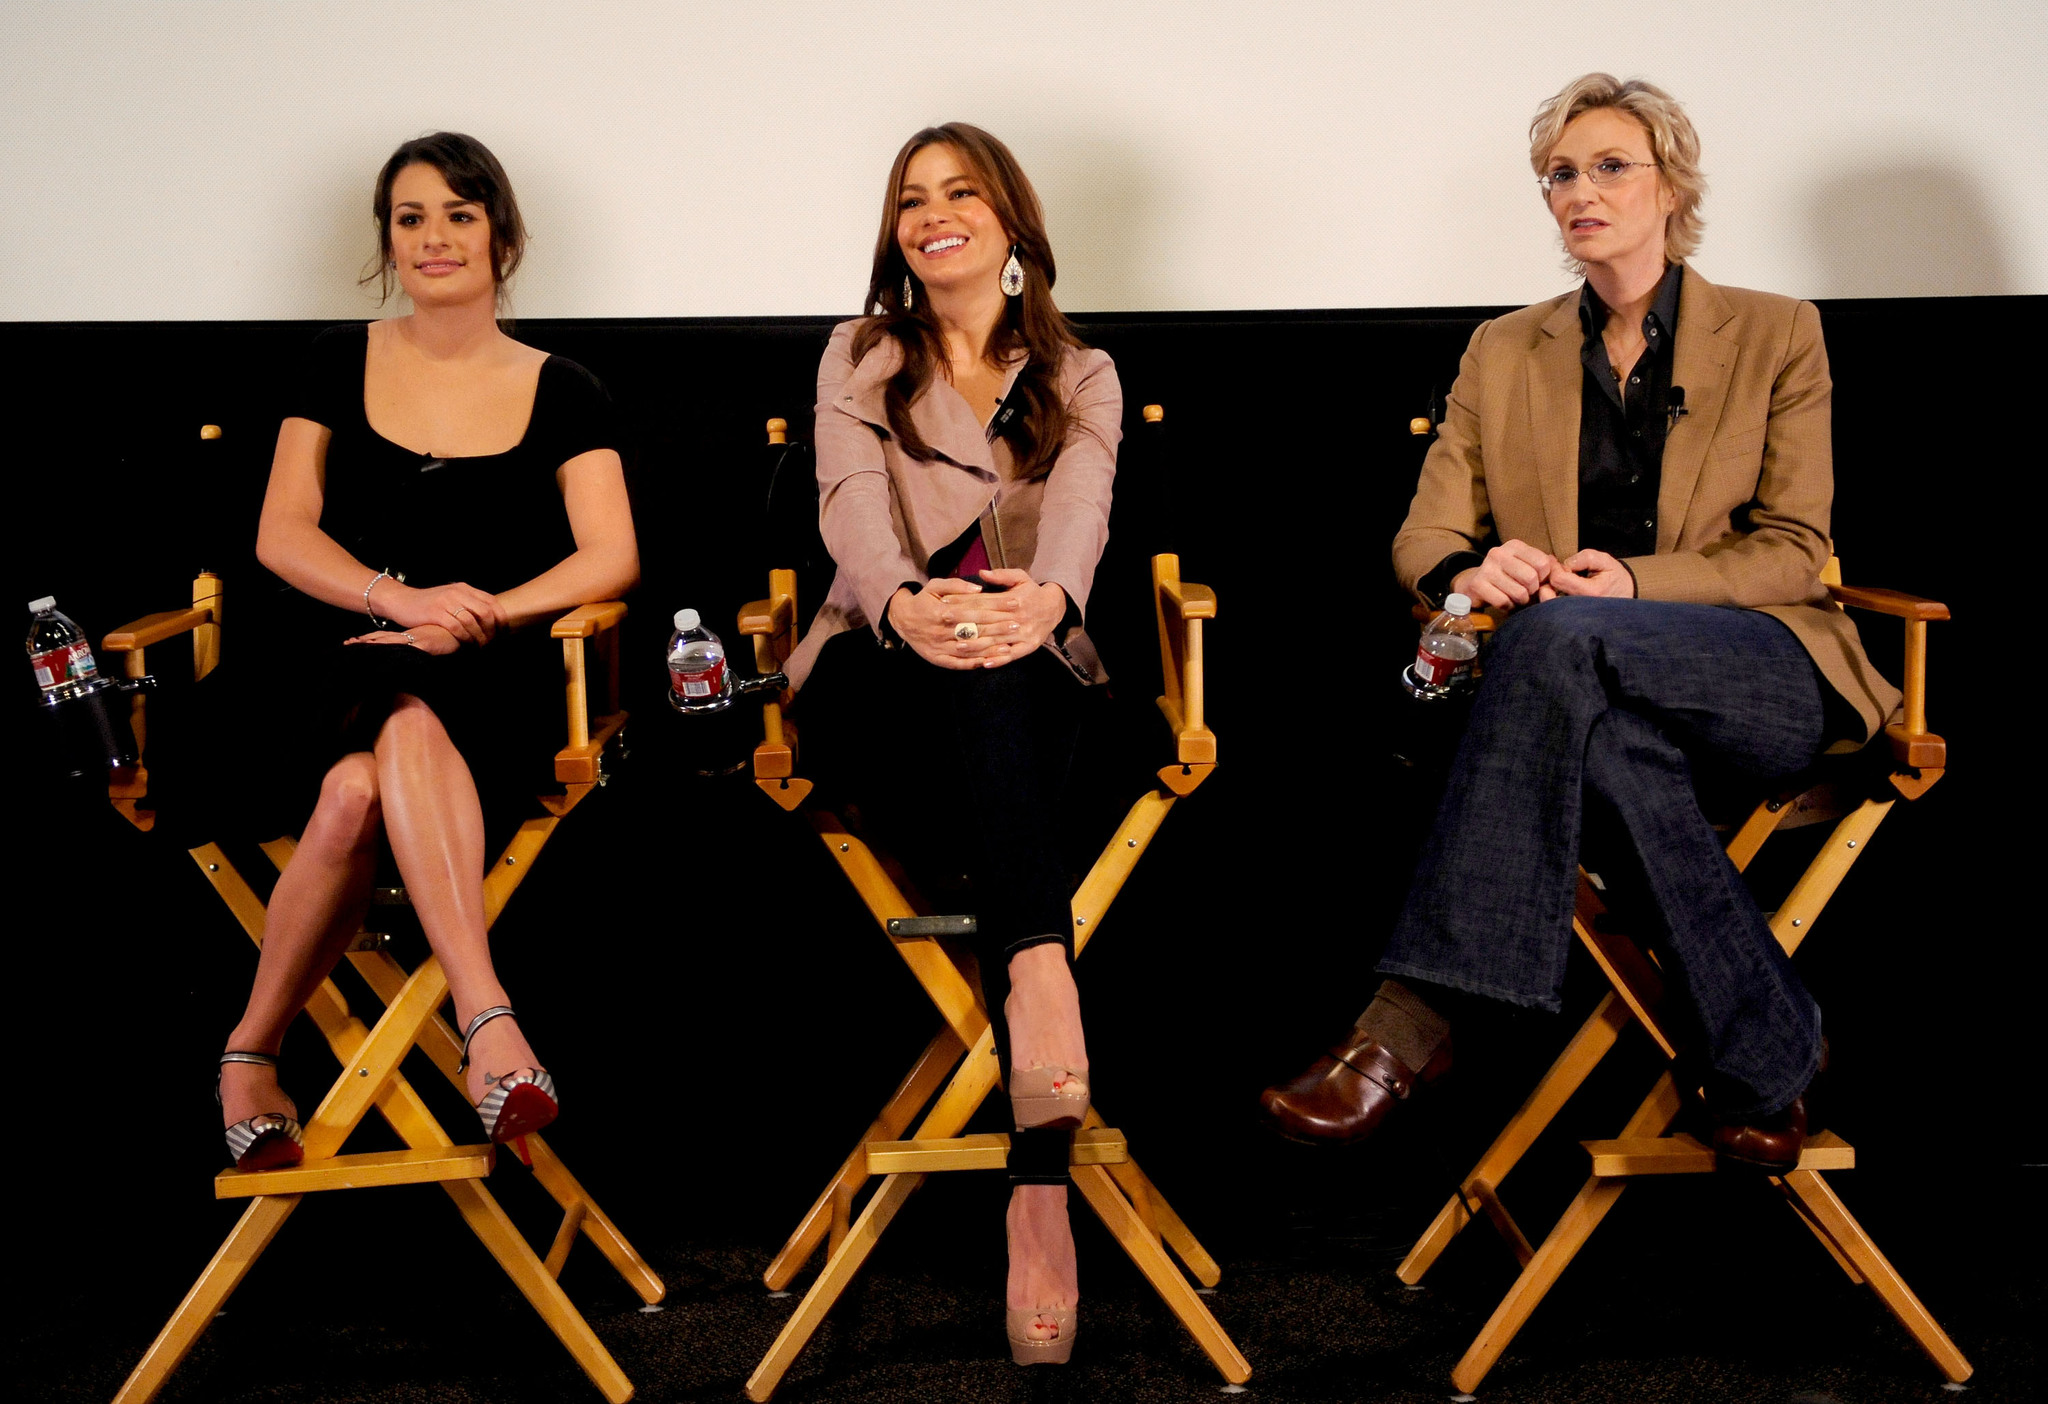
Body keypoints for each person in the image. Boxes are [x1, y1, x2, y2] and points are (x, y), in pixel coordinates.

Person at [1258, 75, 1901, 1173]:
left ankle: (1409, 1023)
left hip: (1759, 669)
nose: (1578, 190)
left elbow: (1794, 549)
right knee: (1600, 737)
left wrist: (1635, 587)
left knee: (1560, 640)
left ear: (1670, 186)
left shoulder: (1775, 333)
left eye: (1609, 167)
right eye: (1559, 173)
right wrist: (1477, 565)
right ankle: (1767, 1046)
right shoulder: (1499, 350)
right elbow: (1422, 539)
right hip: (1572, 696)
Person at [214, 132, 638, 1172]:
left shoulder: (566, 388)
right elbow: (282, 534)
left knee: (361, 786)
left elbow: (610, 555)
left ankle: (249, 1053)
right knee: (389, 703)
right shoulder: (331, 360)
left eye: (458, 213)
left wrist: (481, 612)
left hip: (484, 675)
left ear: (501, 232)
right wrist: (399, 599)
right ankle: (486, 1019)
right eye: (411, 218)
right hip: (328, 652)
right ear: (387, 241)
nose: (435, 237)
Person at [784, 123, 1120, 1366]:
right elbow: (846, 508)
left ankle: (1036, 1189)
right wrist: (905, 603)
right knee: (978, 689)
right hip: (879, 678)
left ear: (1011, 224)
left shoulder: (1082, 373)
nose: (934, 216)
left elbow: (1078, 519)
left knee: (1004, 685)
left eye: (960, 194)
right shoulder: (858, 355)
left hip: (1028, 674)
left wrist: (1043, 601)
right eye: (912, 200)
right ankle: (1045, 1004)